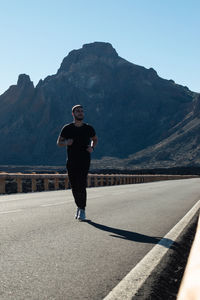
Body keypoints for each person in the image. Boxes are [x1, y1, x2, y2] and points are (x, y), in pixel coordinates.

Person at [57, 105, 98, 221]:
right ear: (73, 114)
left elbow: (95, 139)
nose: (80, 113)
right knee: (74, 186)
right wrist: (66, 142)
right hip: (71, 161)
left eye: (81, 111)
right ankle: (79, 207)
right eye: (77, 111)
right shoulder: (67, 128)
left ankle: (83, 209)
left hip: (84, 160)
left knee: (81, 184)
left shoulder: (88, 128)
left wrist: (92, 147)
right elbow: (59, 142)